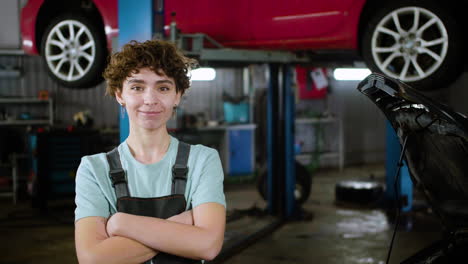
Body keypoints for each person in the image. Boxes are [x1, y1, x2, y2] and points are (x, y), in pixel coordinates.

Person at [74, 39, 226, 264]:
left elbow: (208, 245)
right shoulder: (94, 169)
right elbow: (93, 259)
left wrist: (121, 224)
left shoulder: (203, 160)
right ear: (119, 94)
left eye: (163, 88)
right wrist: (184, 227)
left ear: (177, 95)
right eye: (137, 87)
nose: (150, 99)